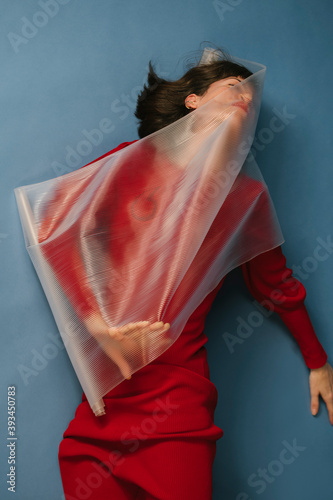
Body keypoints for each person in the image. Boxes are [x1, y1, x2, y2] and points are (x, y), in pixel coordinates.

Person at [42, 51, 333, 500]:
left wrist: (318, 361)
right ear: (193, 100)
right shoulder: (131, 162)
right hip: (101, 408)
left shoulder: (246, 199)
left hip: (177, 407)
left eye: (251, 96)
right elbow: (56, 228)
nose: (245, 97)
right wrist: (97, 327)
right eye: (234, 85)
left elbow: (275, 284)